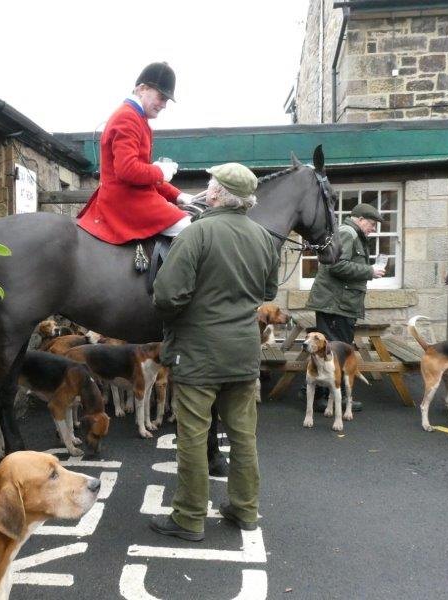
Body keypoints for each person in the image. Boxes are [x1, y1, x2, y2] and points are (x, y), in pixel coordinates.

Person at [149, 163, 279, 541]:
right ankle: (245, 509)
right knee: (243, 435)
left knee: (192, 436)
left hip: (198, 353)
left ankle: (190, 518)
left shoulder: (196, 233)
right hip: (243, 351)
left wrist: (180, 314)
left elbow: (167, 296)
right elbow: (268, 291)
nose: (207, 190)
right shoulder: (264, 237)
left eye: (210, 185)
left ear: (218, 193)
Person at [76, 62, 194, 245]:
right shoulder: (128, 117)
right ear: (142, 89)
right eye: (161, 97)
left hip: (134, 196)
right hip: (126, 201)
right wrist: (160, 172)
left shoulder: (136, 117)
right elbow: (127, 170)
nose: (164, 105)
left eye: (166, 100)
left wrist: (177, 195)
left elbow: (144, 174)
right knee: (192, 230)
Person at [304, 203, 386, 413]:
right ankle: (324, 398)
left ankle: (326, 395)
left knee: (333, 351)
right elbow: (337, 265)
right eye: (372, 223)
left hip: (339, 304)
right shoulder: (348, 233)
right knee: (331, 352)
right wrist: (369, 271)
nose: (373, 228)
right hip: (336, 305)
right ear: (360, 219)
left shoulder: (350, 233)